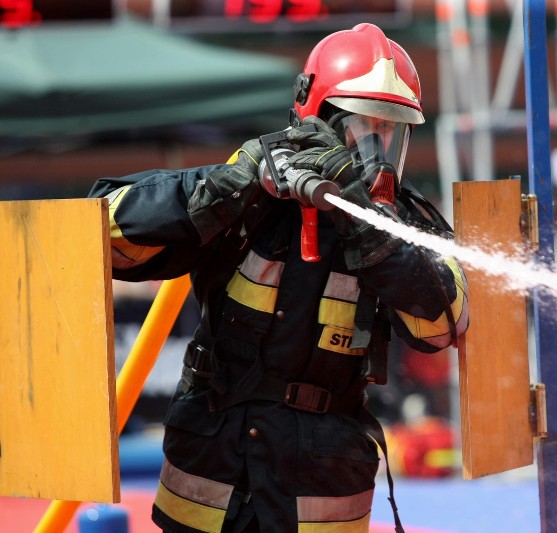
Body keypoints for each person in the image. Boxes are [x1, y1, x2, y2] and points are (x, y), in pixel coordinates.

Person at [89, 23, 469, 533]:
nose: (376, 151)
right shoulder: (245, 195)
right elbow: (101, 229)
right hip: (210, 481)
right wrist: (232, 185)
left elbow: (444, 323)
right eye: (363, 128)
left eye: (390, 132)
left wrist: (367, 229)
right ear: (316, 120)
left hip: (321, 488)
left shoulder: (398, 225)